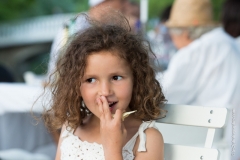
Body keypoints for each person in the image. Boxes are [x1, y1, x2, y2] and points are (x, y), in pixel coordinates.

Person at [42, 11, 166, 160]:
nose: (105, 91)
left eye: (116, 77)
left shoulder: (147, 138)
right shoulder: (70, 129)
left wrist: (112, 148)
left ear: (136, 79)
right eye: (91, 80)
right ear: (75, 86)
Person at [156, 0, 240, 159]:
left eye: (172, 33)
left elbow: (161, 93)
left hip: (206, 147)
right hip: (232, 143)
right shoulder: (230, 43)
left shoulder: (196, 52)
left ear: (185, 32)